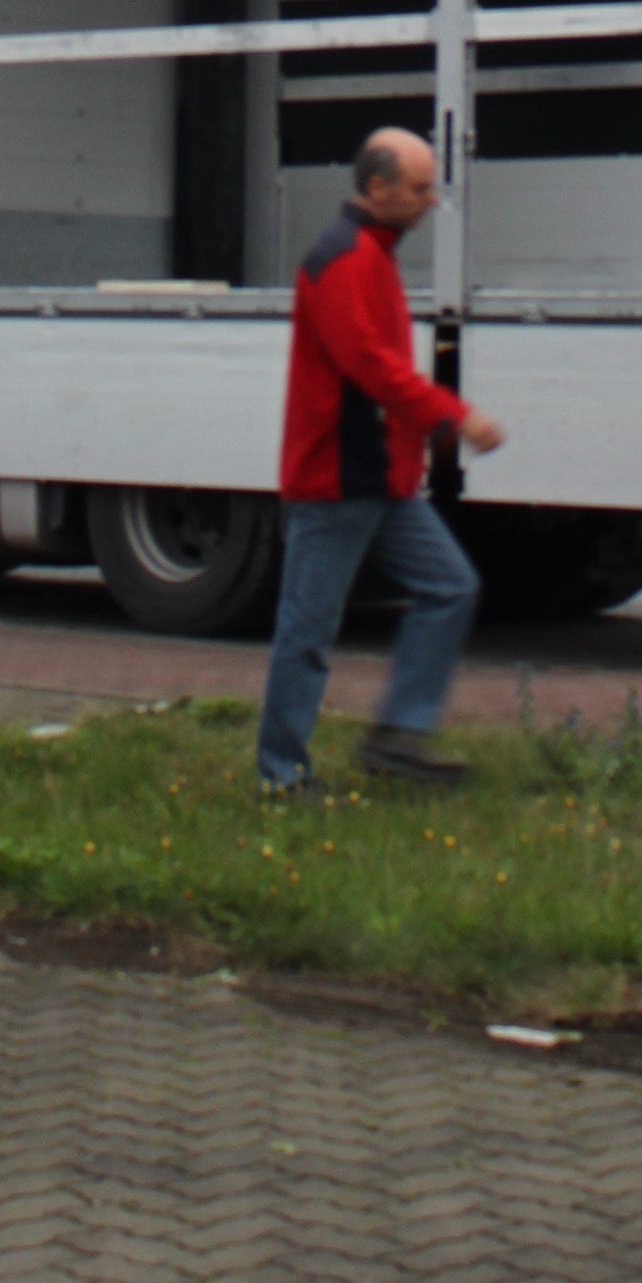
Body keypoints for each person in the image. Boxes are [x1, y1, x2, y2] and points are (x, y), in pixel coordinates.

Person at [255, 126, 506, 798]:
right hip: (338, 480)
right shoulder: (343, 258)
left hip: (379, 481)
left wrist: (423, 434)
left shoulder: (367, 254)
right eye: (420, 190)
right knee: (308, 630)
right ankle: (281, 776)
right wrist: (452, 416)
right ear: (378, 189)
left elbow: (376, 369)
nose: (430, 202)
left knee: (450, 587)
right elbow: (367, 365)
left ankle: (398, 737)